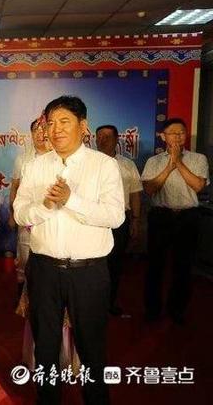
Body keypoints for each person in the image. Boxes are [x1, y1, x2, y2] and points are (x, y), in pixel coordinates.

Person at [14, 96, 124, 405]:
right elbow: (20, 213)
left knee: (91, 348)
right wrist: (45, 206)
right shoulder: (35, 166)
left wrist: (70, 200)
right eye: (51, 123)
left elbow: (115, 216)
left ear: (83, 126)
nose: (56, 129)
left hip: (88, 273)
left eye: (64, 122)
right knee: (45, 348)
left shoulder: (103, 165)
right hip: (44, 270)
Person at [141, 118, 209, 325]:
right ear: (163, 136)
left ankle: (177, 309)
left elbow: (198, 186)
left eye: (182, 133)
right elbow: (149, 189)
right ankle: (153, 310)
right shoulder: (153, 161)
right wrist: (169, 166)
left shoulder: (198, 158)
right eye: (173, 133)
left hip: (188, 217)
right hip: (161, 216)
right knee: (155, 266)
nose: (178, 137)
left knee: (183, 267)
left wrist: (178, 162)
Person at [96, 125, 142, 316]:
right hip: (94, 221)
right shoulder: (89, 163)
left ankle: (109, 303)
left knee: (114, 265)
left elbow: (135, 194)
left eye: (107, 136)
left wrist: (136, 220)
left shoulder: (127, 165)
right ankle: (91, 304)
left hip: (119, 221)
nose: (102, 140)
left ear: (117, 140)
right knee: (94, 265)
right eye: (99, 137)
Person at [9, 116, 51, 300]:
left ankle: (45, 298)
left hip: (49, 218)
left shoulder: (58, 157)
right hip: (27, 217)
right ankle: (23, 300)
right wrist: (12, 213)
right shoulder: (23, 159)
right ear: (31, 134)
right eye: (36, 130)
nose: (41, 134)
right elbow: (15, 187)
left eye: (44, 130)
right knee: (24, 258)